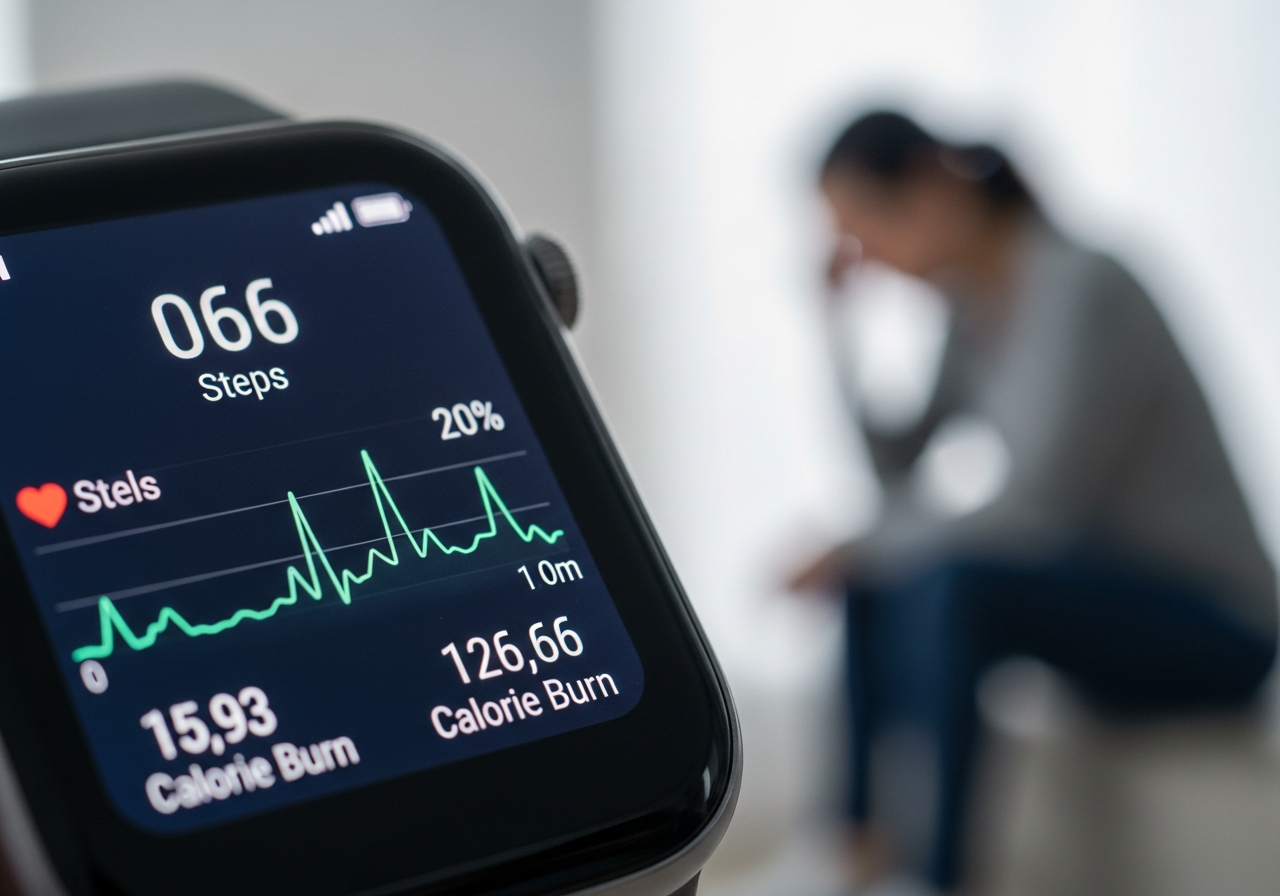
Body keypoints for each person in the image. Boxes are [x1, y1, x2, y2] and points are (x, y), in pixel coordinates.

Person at [790, 111, 1278, 892]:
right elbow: (897, 472)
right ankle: (851, 848)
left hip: (1218, 623)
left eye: (867, 226)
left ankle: (937, 879)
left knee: (954, 582)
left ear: (930, 184)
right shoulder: (970, 309)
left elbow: (1037, 509)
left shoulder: (1084, 284)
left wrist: (864, 540)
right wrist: (837, 332)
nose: (868, 258)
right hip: (1106, 613)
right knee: (874, 583)